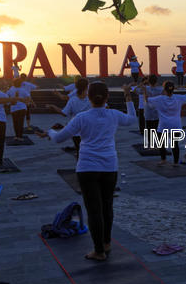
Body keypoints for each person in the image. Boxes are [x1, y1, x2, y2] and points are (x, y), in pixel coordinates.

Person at [48, 83, 136, 262]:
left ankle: (99, 251)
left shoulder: (82, 117)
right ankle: (106, 243)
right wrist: (128, 96)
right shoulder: (114, 115)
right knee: (107, 206)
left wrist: (49, 131)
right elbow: (132, 119)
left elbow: (58, 138)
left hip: (87, 168)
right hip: (110, 167)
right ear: (107, 97)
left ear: (88, 97)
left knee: (94, 210)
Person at [145, 81, 186, 165]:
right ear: (173, 89)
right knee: (175, 144)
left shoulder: (159, 99)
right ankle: (175, 162)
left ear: (164, 89)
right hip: (176, 125)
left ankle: (163, 159)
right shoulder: (178, 98)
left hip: (163, 124)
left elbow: (147, 99)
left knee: (161, 143)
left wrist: (144, 90)